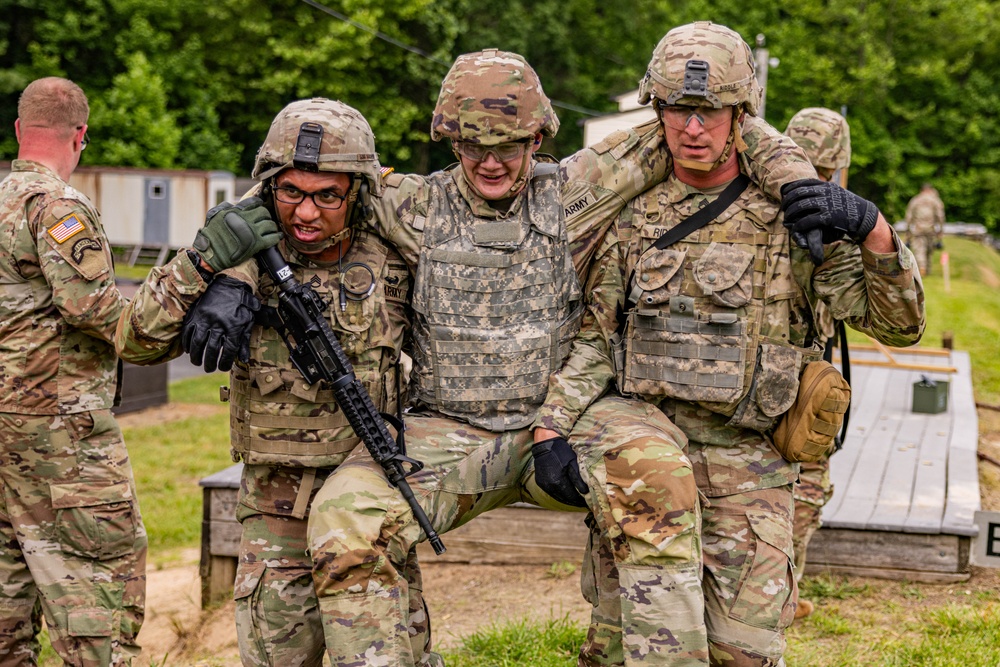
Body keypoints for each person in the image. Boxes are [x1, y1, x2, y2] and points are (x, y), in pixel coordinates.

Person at [292, 49, 828, 667]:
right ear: (449, 138)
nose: (490, 163)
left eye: (510, 147)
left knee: (661, 482)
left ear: (539, 137)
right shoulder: (408, 203)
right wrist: (229, 264)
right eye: (473, 147)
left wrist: (799, 184)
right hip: (453, 429)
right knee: (344, 517)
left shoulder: (577, 190)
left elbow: (716, 122)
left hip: (575, 417)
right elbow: (296, 192)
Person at [582, 22, 925, 666]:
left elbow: (899, 325)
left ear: (741, 111)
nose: (692, 128)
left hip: (751, 475)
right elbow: (593, 337)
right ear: (656, 109)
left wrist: (874, 230)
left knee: (743, 656)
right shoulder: (630, 210)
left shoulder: (791, 213)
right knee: (626, 648)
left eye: (709, 110)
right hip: (647, 467)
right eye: (678, 109)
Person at [114, 99, 419, 667]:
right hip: (276, 509)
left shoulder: (396, 257)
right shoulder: (234, 253)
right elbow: (136, 342)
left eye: (327, 195)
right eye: (290, 193)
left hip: (370, 505)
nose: (306, 213)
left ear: (357, 192)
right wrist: (207, 265)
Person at [0, 76, 151, 667]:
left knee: (10, 577)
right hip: (58, 429)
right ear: (81, 135)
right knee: (100, 572)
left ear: (19, 130)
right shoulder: (57, 206)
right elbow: (96, 312)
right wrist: (180, 289)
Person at [783, 107, 853, 620]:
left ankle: (781, 594)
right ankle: (779, 596)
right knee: (806, 485)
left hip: (797, 373)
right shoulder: (829, 214)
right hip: (798, 379)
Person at [905, 182, 945, 276]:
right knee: (929, 249)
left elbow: (909, 215)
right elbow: (940, 216)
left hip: (918, 228)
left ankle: (921, 267)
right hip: (931, 229)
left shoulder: (915, 200)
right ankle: (927, 269)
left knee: (919, 249)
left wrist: (908, 230)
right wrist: (940, 230)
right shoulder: (935, 200)